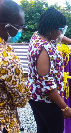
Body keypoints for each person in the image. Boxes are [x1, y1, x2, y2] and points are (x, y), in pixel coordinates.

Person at [27, 7, 71, 133]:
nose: (60, 33)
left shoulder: (37, 36)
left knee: (43, 129)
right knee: (55, 129)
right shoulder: (44, 49)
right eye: (59, 29)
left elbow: (60, 37)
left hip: (36, 97)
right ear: (50, 28)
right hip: (47, 101)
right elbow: (47, 85)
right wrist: (64, 108)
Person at [0, 0, 31, 132]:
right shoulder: (7, 58)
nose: (20, 31)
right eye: (19, 27)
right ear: (5, 26)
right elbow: (21, 100)